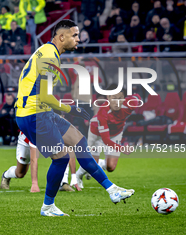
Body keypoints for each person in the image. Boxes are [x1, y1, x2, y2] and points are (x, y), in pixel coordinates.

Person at [15, 19, 134, 217]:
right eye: (75, 35)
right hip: (34, 114)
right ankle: (47, 207)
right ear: (62, 37)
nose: (79, 39)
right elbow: (45, 95)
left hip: (39, 111)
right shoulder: (50, 56)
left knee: (79, 140)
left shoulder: (47, 51)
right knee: (61, 158)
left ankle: (112, 190)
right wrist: (70, 108)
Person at [76, 85, 141, 188]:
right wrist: (122, 148)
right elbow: (105, 140)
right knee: (91, 165)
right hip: (96, 133)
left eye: (120, 98)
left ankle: (100, 164)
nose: (117, 102)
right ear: (108, 98)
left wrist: (136, 97)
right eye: (114, 98)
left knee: (110, 167)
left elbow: (137, 97)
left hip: (116, 134)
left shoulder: (130, 103)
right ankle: (78, 175)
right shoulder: (103, 112)